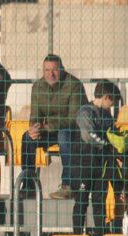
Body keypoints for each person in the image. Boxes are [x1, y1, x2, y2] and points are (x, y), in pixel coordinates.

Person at [21, 54, 88, 199]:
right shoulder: (38, 86)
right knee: (27, 137)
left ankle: (68, 185)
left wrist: (47, 126)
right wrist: (34, 128)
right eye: (46, 70)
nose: (50, 74)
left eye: (54, 70)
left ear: (62, 70)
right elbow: (35, 115)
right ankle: (28, 185)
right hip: (50, 130)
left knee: (63, 135)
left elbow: (73, 118)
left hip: (75, 131)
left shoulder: (74, 85)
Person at [71, 79, 121, 236]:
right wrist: (108, 143)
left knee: (99, 202)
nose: (112, 106)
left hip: (101, 164)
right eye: (112, 101)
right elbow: (89, 136)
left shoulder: (107, 116)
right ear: (106, 97)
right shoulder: (85, 112)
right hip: (84, 163)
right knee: (81, 201)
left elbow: (113, 134)